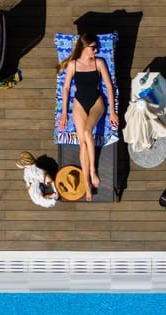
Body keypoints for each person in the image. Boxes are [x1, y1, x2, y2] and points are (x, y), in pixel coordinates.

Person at [57, 34, 119, 202]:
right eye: (93, 47)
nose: (96, 50)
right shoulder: (73, 65)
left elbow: (109, 85)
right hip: (79, 104)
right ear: (84, 48)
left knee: (86, 131)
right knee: (82, 141)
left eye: (96, 47)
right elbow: (66, 87)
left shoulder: (99, 63)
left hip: (96, 103)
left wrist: (112, 111)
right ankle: (87, 182)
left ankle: (92, 171)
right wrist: (64, 113)